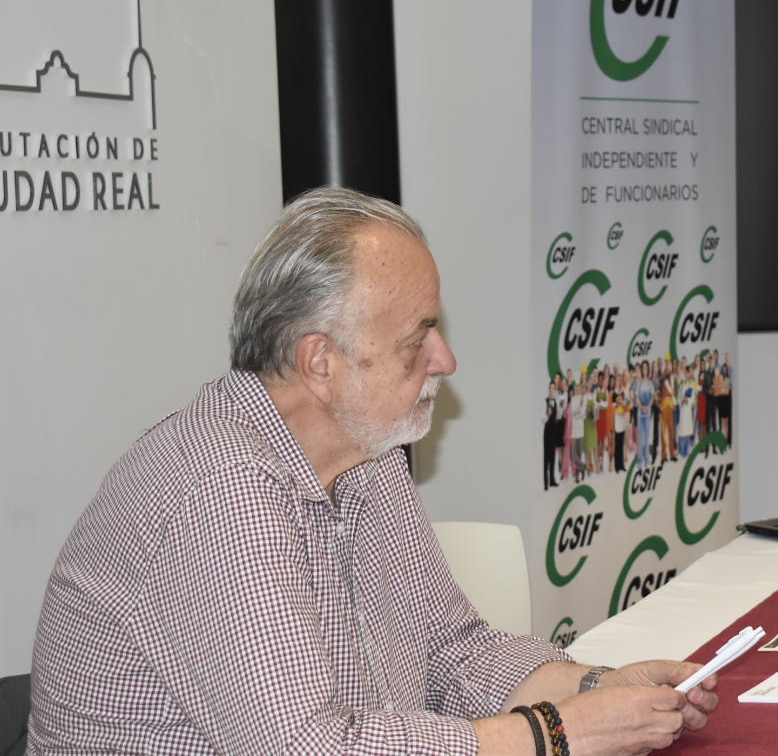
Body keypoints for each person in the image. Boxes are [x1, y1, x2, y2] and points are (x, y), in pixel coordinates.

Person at [29, 187, 719, 756]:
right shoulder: (222, 489)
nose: (445, 359)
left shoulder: (368, 455)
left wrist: (595, 687)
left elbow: (453, 653)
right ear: (320, 363)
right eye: (417, 337)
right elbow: (306, 747)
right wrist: (557, 736)